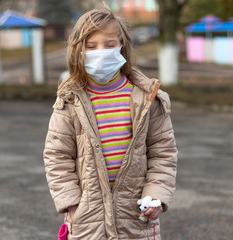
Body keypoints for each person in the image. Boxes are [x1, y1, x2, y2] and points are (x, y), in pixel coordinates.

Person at [43, 7, 178, 240]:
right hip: (88, 218)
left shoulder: (146, 98)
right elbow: (57, 156)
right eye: (91, 45)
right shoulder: (70, 100)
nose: (101, 52)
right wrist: (73, 205)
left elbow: (163, 153)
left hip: (137, 214)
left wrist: (156, 195)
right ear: (78, 51)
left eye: (109, 43)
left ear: (122, 46)